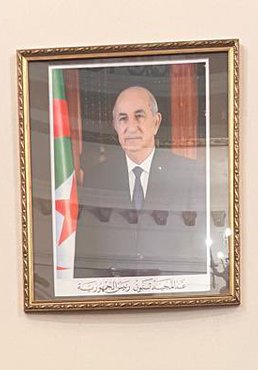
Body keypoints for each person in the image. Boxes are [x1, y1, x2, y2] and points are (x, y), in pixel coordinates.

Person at [73, 85, 206, 279]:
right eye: (123, 118)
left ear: (156, 122)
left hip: (172, 294)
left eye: (139, 116)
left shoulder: (186, 174)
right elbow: (88, 249)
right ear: (115, 125)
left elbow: (197, 246)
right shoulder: (97, 177)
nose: (131, 127)